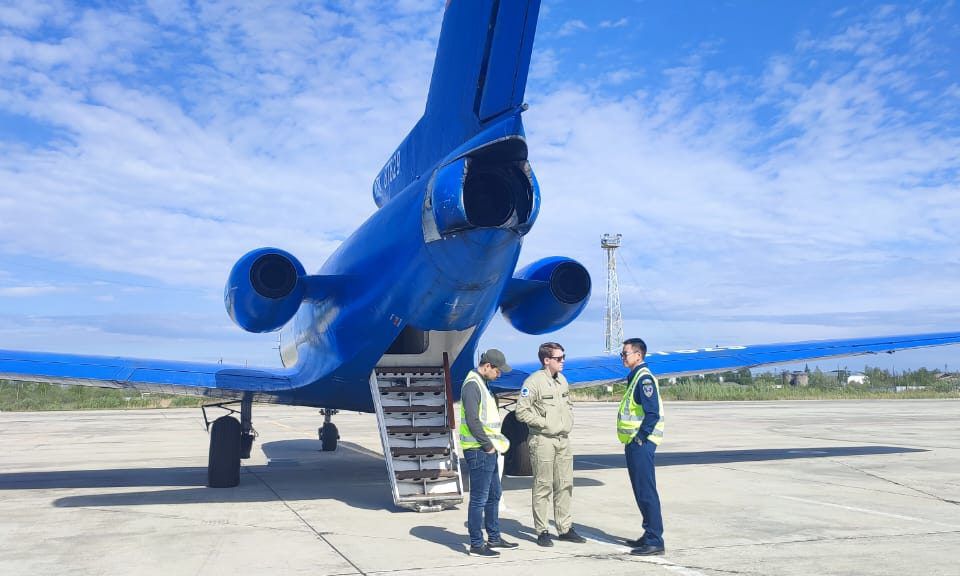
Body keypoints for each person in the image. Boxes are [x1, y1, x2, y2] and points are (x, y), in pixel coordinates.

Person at [515, 342, 586, 547]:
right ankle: (542, 530)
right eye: (559, 358)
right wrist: (543, 423)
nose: (563, 361)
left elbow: (568, 403)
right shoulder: (534, 382)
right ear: (547, 360)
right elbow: (521, 411)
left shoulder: (562, 380)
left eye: (564, 357)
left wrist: (568, 420)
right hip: (543, 440)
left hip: (563, 439)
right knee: (543, 485)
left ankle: (564, 528)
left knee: (565, 484)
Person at [460, 349, 519, 557]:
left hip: (488, 450)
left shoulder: (482, 384)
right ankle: (476, 544)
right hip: (479, 450)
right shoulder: (472, 386)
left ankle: (494, 537)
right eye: (497, 371)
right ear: (487, 366)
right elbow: (472, 420)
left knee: (494, 494)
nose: (499, 374)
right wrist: (487, 446)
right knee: (479, 499)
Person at [618, 337, 666, 556]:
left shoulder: (644, 379)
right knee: (640, 491)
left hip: (642, 444)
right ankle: (648, 534)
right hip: (634, 443)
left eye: (625, 353)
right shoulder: (635, 376)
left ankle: (655, 539)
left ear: (638, 355)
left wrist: (640, 438)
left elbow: (653, 413)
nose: (622, 357)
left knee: (646, 491)